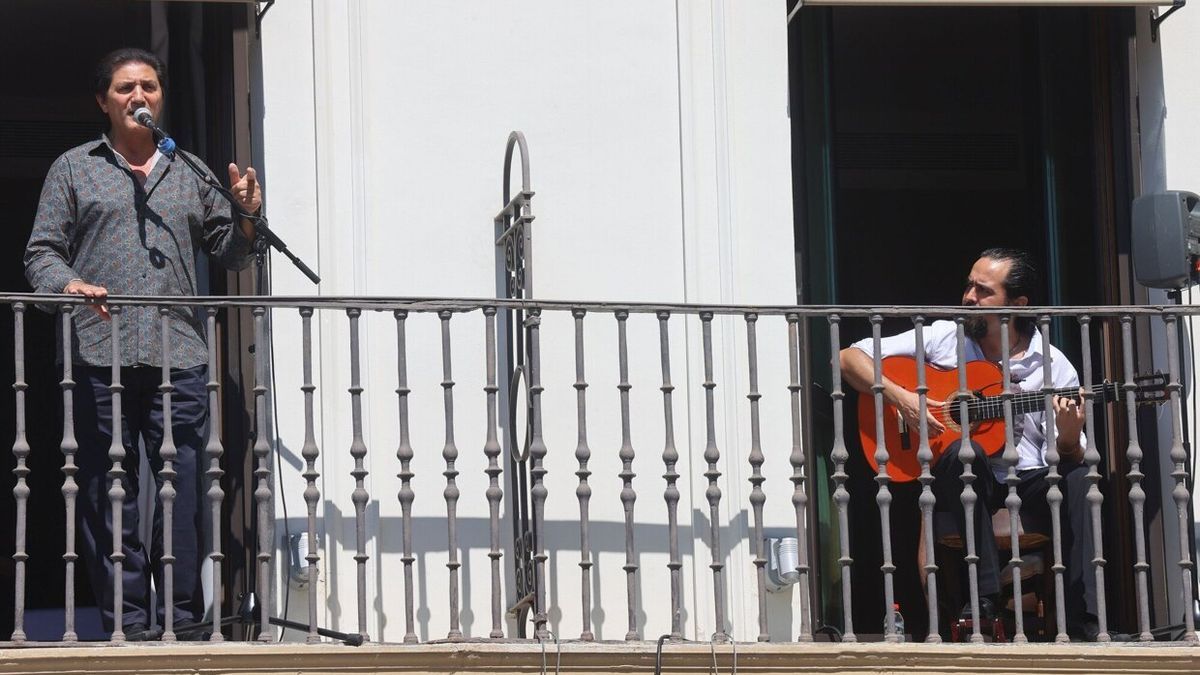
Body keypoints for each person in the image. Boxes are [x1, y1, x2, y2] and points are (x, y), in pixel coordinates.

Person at [23, 47, 261, 640]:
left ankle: (179, 620)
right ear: (103, 101)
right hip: (97, 352)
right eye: (127, 88)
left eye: (150, 87)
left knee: (181, 486)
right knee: (111, 490)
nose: (140, 97)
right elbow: (40, 253)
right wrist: (69, 283)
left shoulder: (191, 171)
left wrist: (249, 219)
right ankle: (126, 620)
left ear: (161, 97)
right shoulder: (74, 168)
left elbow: (229, 251)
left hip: (179, 352)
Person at [839, 247, 1100, 640]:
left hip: (1027, 479)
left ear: (1017, 305)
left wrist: (1066, 434)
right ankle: (984, 600)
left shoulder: (1051, 363)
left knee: (1082, 478)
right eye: (969, 286)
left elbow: (1069, 451)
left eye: (983, 291)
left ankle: (1084, 625)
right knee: (968, 453)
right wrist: (905, 399)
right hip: (965, 479)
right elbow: (848, 358)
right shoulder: (947, 337)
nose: (968, 298)